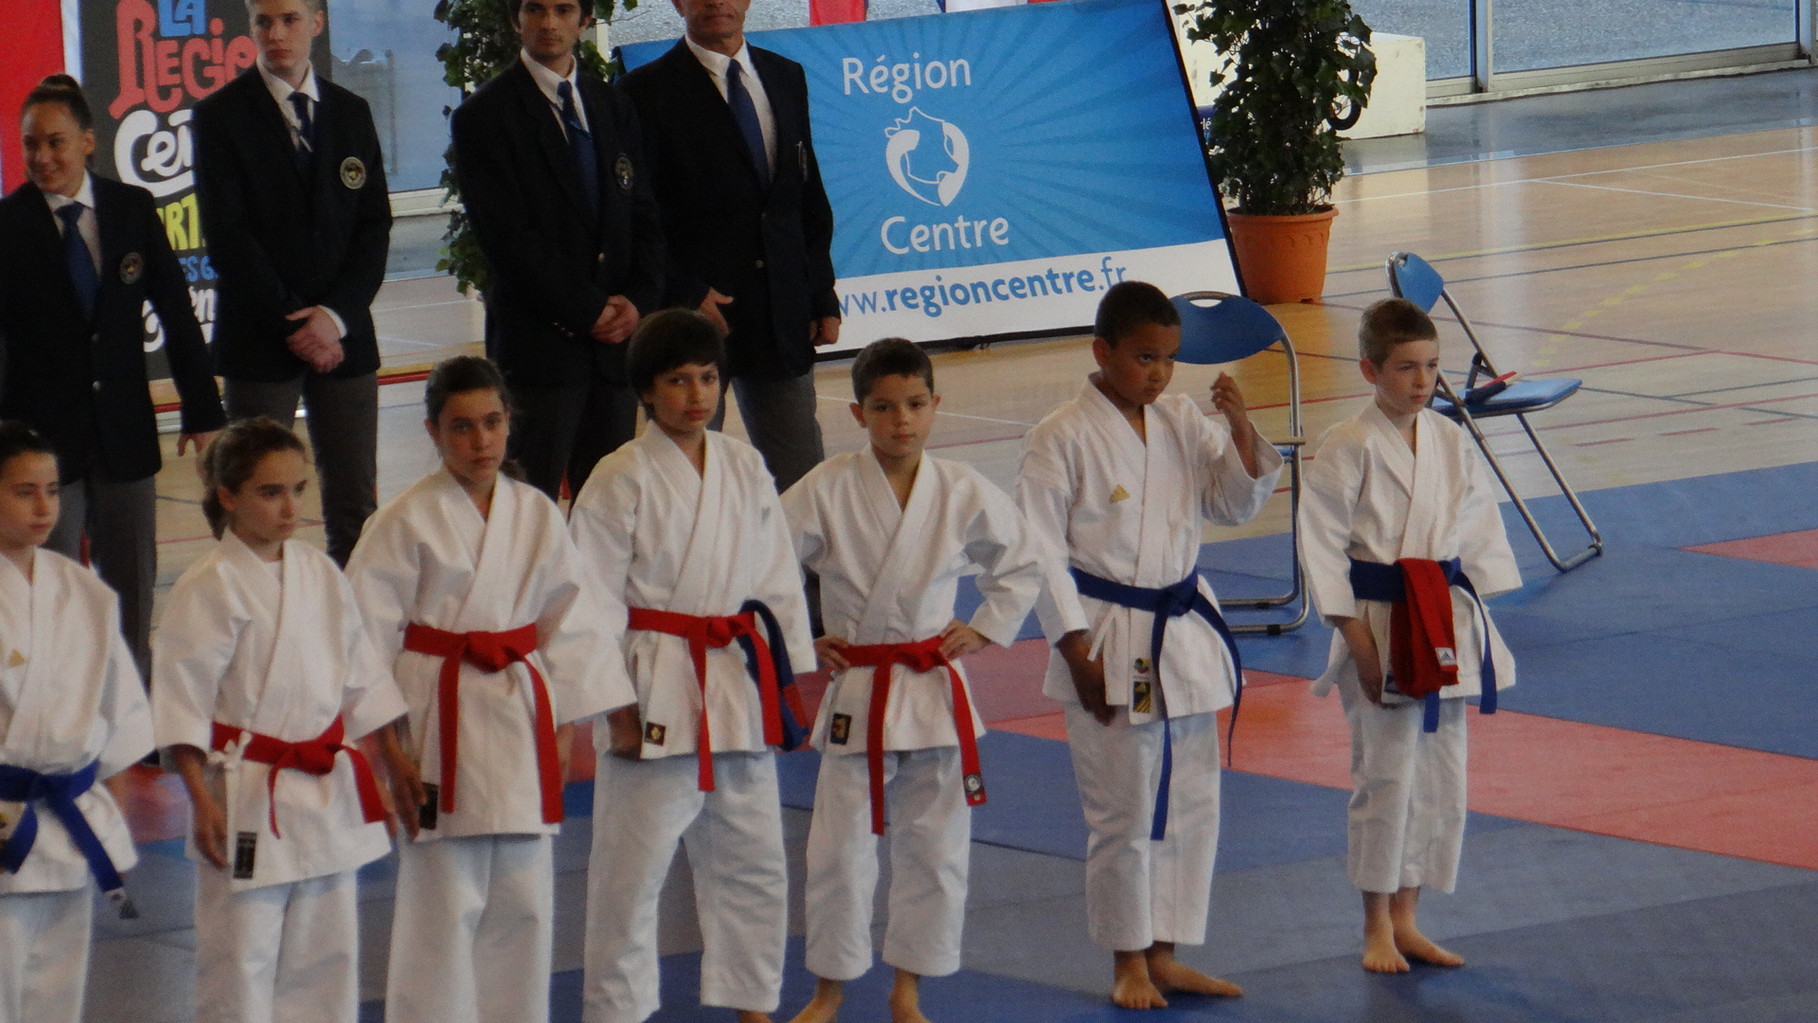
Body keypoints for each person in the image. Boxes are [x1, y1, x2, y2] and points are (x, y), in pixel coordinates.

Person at [1015, 281, 1282, 1009]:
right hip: (1108, 634)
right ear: (1102, 352)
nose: (1159, 374)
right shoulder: (1060, 435)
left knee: (1192, 801)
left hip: (1182, 630)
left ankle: (1166, 953)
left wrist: (1241, 430)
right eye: (1143, 357)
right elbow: (1037, 550)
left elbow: (1231, 503)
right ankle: (1127, 961)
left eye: (1168, 358)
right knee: (1123, 810)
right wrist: (1074, 650)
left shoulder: (1181, 419)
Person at [345, 355, 632, 1023]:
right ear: (432, 431)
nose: (480, 441)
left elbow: (571, 625)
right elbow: (360, 640)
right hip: (437, 718)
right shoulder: (402, 520)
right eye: (462, 426)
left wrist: (566, 727)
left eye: (492, 423)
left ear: (509, 424)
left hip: (522, 715)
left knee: (524, 899)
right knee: (442, 902)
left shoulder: (536, 513)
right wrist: (388, 751)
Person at [780, 339, 1043, 1023]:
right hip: (860, 687)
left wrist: (985, 627)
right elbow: (762, 564)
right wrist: (801, 638)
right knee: (837, 851)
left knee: (936, 847)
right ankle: (829, 991)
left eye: (916, 404)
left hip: (932, 687)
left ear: (935, 405)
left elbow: (1021, 561)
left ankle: (909, 990)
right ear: (857, 413)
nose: (902, 420)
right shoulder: (827, 487)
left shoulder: (960, 488)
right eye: (884, 407)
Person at [569, 309, 814, 1023]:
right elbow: (589, 600)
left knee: (754, 859)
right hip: (653, 685)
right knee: (631, 869)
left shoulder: (744, 465)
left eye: (708, 378)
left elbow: (775, 581)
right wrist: (613, 705)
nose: (697, 394)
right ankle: (617, 1011)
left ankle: (753, 1003)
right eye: (678, 380)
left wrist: (784, 681)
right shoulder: (620, 475)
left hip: (735, 678)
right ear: (647, 390)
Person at [152, 418, 406, 1023]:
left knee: (328, 956)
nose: (290, 508)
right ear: (228, 496)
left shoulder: (320, 573)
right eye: (271, 493)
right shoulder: (208, 585)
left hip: (324, 787)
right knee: (239, 958)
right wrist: (200, 801)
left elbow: (362, 679)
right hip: (245, 794)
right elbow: (181, 703)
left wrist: (393, 765)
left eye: (298, 489)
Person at [1297, 298, 1520, 974]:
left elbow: (1476, 529)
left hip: (1439, 616)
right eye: (1404, 368)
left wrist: (1475, 614)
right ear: (1370, 369)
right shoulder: (1348, 443)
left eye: (1430, 366)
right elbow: (1320, 543)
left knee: (1440, 776)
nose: (1422, 381)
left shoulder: (1450, 439)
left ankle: (1408, 919)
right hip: (1377, 615)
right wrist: (1353, 633)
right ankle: (1374, 925)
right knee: (1385, 775)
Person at [0, 74, 226, 677]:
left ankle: (136, 709)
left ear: (88, 141)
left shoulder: (131, 210)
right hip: (43, 446)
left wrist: (203, 411)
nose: (42, 158)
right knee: (51, 593)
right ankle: (60, 710)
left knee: (132, 590)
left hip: (125, 437)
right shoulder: (8, 226)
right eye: (30, 145)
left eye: (55, 142)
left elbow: (176, 312)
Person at [192, 0, 391, 565]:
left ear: (316, 23)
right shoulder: (220, 116)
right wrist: (295, 324)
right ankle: (256, 614)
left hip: (344, 339)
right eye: (264, 21)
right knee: (252, 506)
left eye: (290, 19)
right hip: (260, 339)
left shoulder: (351, 112)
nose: (276, 33)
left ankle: (351, 616)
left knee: (355, 505)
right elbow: (228, 237)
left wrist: (335, 317)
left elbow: (373, 226)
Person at [619, 0, 841, 492]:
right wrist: (683, 291)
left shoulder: (785, 76)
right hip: (692, 319)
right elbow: (637, 213)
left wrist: (821, 293)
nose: (717, 2)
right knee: (684, 483)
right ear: (677, 3)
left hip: (780, 312)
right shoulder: (642, 91)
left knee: (803, 481)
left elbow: (805, 192)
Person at [451, 0, 665, 500]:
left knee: (608, 508)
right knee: (529, 506)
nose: (548, 23)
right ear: (516, 19)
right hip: (540, 352)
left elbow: (644, 213)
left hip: (613, 352)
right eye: (536, 9)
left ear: (584, 20)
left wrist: (637, 301)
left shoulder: (612, 104)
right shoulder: (484, 116)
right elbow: (508, 239)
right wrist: (589, 309)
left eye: (563, 9)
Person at [0, 420, 153, 1023]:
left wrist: (114, 820)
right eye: (24, 492)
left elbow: (120, 722)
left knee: (57, 998)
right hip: (4, 820)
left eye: (52, 490)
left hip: (68, 823)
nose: (44, 508)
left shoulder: (85, 592)